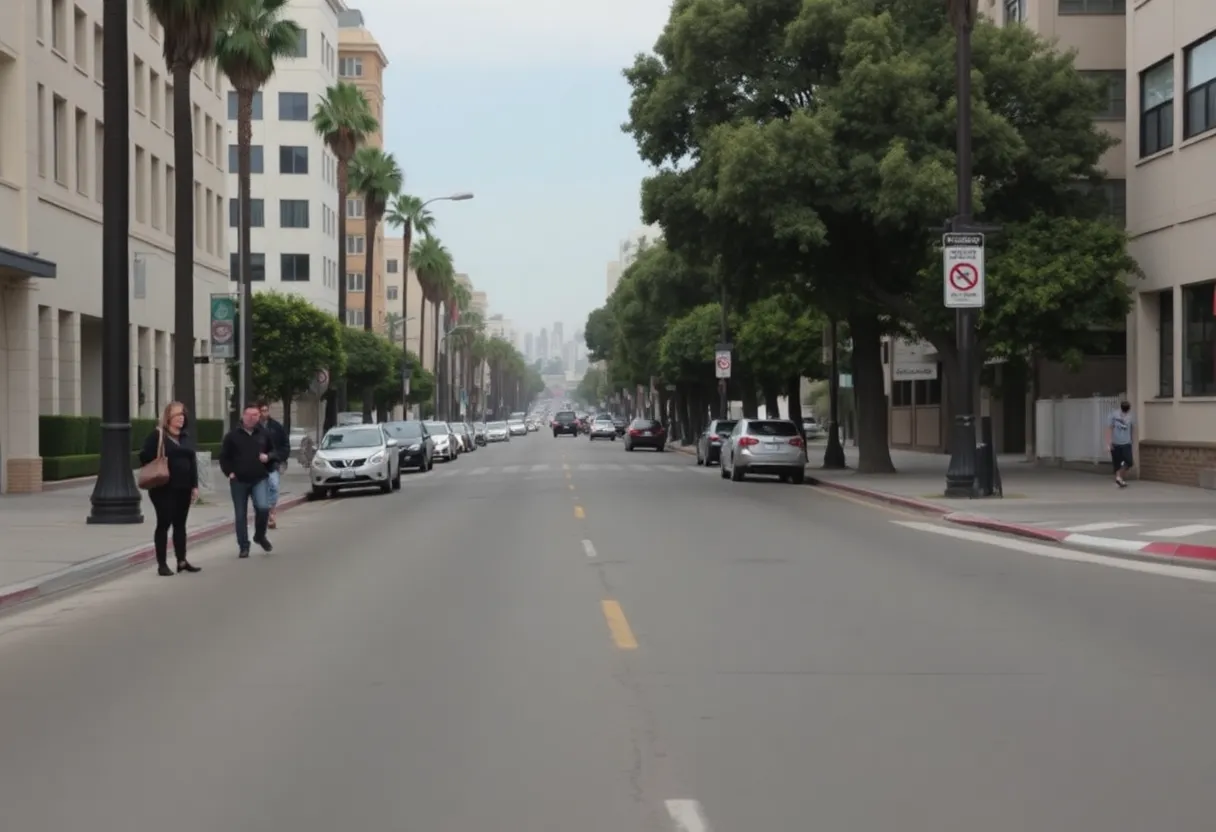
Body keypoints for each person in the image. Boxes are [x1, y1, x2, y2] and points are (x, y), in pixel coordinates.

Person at [138, 401, 202, 576]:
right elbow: (143, 456)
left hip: (184, 487)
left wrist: (194, 486)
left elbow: (192, 462)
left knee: (180, 525)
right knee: (164, 523)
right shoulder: (158, 436)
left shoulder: (185, 437)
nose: (181, 418)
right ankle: (162, 564)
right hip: (163, 487)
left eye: (183, 415)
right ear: (168, 418)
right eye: (177, 415)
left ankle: (182, 560)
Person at [219, 404, 274, 558]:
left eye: (255, 415)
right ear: (243, 416)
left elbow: (273, 450)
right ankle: (244, 546)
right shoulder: (232, 436)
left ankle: (260, 535)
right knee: (240, 514)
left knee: (263, 508)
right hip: (239, 480)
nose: (252, 418)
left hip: (259, 478)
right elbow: (224, 457)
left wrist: (269, 458)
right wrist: (229, 472)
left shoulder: (264, 434)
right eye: (249, 415)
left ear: (259, 417)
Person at [257, 401, 290, 529]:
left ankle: (271, 510)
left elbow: (284, 446)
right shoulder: (254, 428)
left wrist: (276, 458)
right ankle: (263, 513)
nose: (264, 413)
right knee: (261, 490)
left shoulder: (276, 427)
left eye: (266, 410)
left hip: (272, 464)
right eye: (262, 410)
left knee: (274, 486)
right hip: (257, 466)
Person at [1106, 399, 1136, 488]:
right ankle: (1119, 478)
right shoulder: (1114, 415)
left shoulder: (1131, 416)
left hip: (1126, 443)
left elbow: (1133, 429)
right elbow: (1109, 428)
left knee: (1129, 462)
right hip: (1116, 443)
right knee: (1117, 463)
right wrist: (1108, 442)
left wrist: (1133, 440)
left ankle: (1119, 477)